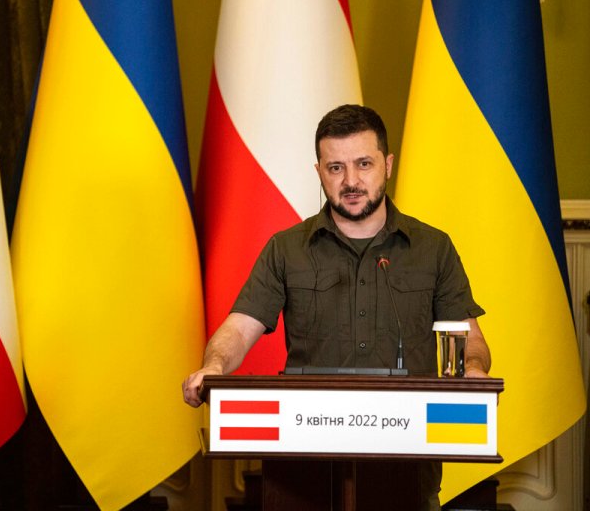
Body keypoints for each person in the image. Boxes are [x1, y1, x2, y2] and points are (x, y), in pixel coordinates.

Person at [182, 104, 492, 510]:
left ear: (388, 164)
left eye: (364, 164)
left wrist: (473, 372)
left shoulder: (434, 248)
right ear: (319, 172)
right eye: (335, 167)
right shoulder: (286, 248)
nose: (351, 181)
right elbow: (240, 328)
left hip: (407, 466)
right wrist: (215, 366)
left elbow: (470, 340)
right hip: (302, 471)